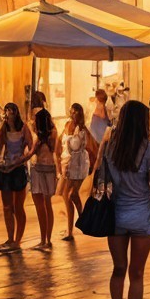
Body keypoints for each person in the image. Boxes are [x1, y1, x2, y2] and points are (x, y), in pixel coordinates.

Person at [99, 99, 150, 299]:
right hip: (140, 217)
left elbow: (102, 175)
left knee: (118, 269)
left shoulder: (110, 148)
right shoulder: (148, 149)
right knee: (136, 273)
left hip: (116, 215)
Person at [0, 103, 33, 254]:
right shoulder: (3, 129)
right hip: (6, 169)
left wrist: (21, 160)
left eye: (11, 112)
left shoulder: (23, 128)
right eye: (6, 112)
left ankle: (18, 240)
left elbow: (31, 147)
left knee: (18, 206)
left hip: (18, 169)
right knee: (7, 207)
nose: (8, 115)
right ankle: (10, 238)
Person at [60, 102, 96, 239]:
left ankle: (72, 229)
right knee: (70, 195)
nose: (73, 114)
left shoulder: (82, 129)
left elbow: (89, 147)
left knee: (68, 195)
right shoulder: (67, 125)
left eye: (76, 112)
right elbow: (62, 142)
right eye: (72, 111)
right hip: (68, 163)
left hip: (79, 165)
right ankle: (82, 220)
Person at [30, 107, 58, 250]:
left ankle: (44, 240)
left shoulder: (39, 136)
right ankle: (47, 239)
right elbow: (55, 152)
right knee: (47, 205)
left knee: (42, 206)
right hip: (48, 169)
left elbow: (32, 152)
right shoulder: (52, 133)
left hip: (39, 168)